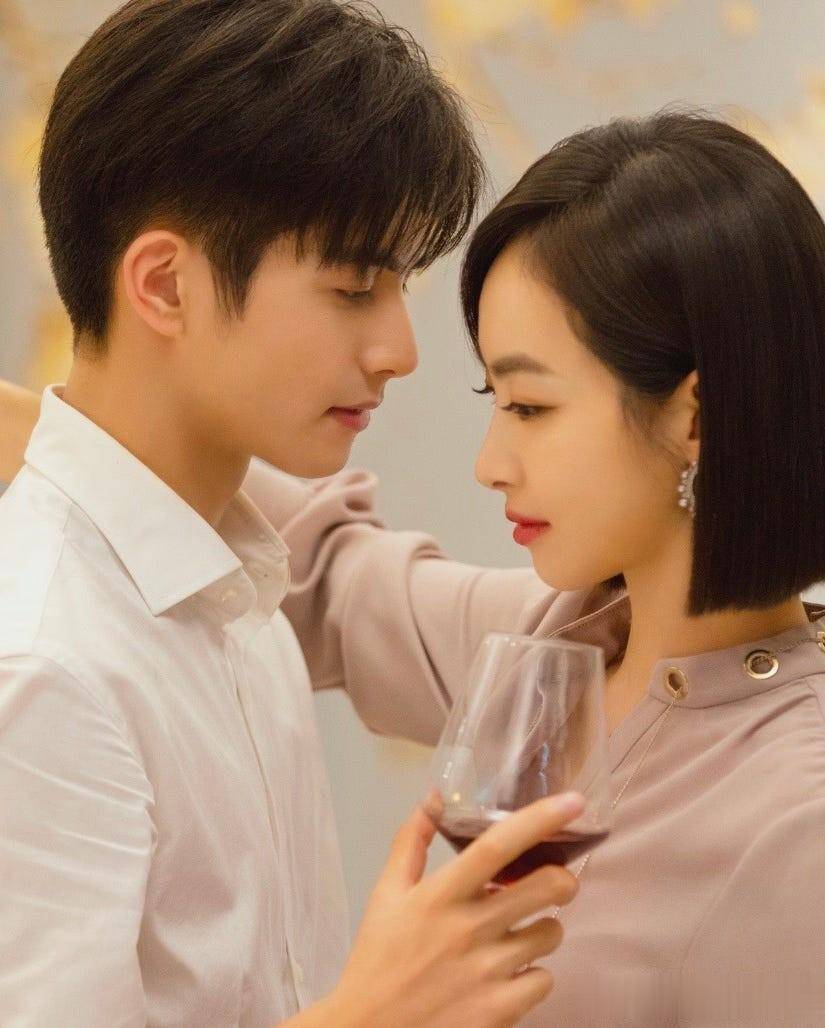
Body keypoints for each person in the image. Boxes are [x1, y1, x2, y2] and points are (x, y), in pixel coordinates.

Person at [13, 110, 823, 1027]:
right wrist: (71, 432)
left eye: (528, 406)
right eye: (493, 399)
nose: (489, 463)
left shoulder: (798, 822)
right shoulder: (550, 649)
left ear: (695, 417)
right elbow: (329, 576)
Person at [0, 2, 589, 1025]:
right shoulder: (48, 660)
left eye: (399, 286)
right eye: (354, 288)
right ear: (164, 285)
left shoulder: (239, 595)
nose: (400, 350)